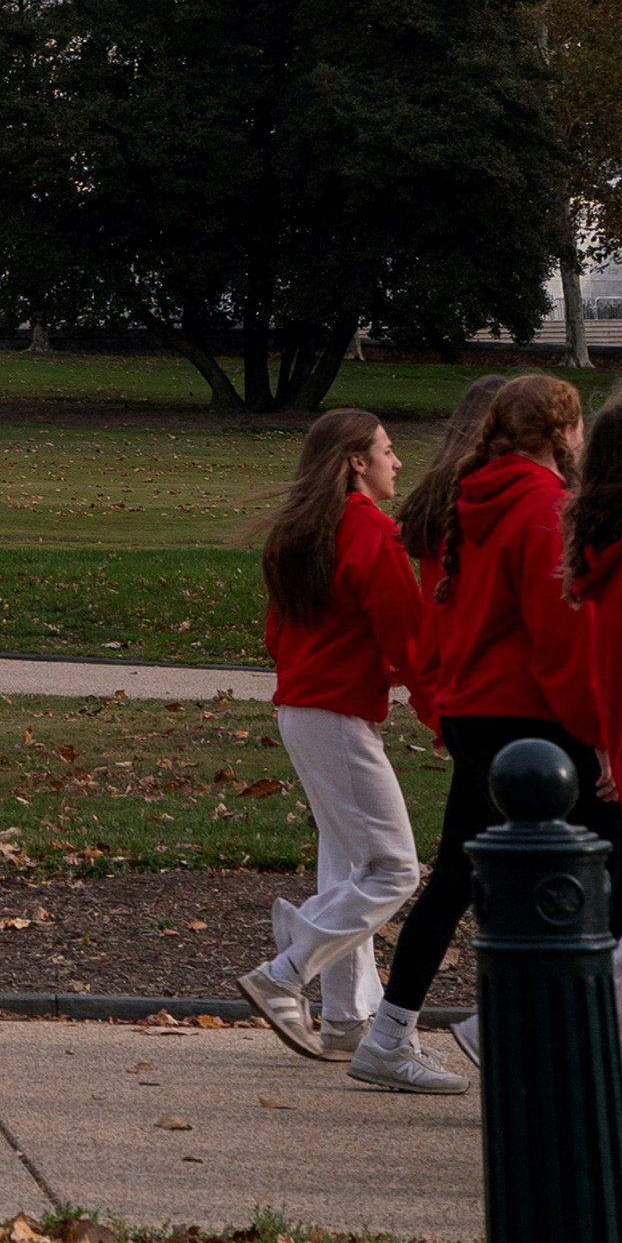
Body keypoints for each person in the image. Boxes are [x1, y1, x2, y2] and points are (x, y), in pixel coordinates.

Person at [360, 373, 622, 1094]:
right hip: (533, 721)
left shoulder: (477, 497)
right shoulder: (544, 506)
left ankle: (389, 1031)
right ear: (564, 432)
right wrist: (604, 732)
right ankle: (532, 1039)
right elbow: (560, 638)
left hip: (478, 710)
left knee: (457, 874)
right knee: (612, 877)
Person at [239, 405, 431, 1057]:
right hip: (339, 715)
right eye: (387, 448)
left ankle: (349, 1016)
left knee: (350, 864)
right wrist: (442, 717)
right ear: (357, 460)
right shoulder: (370, 534)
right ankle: (286, 970)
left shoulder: (299, 532)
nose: (396, 461)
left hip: (301, 708)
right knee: (394, 869)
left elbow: (277, 633)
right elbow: (410, 641)